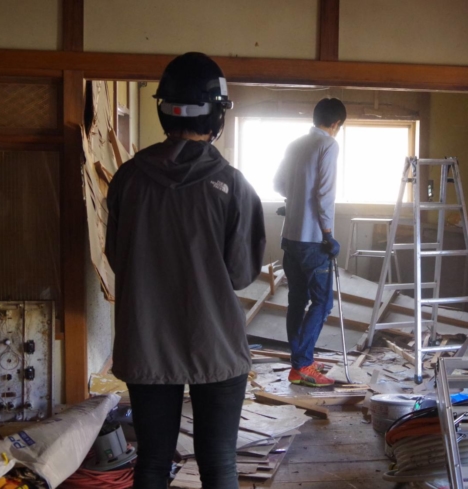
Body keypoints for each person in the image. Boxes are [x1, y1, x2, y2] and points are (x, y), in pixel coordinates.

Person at [105, 52, 266, 489]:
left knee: (153, 463)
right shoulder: (233, 185)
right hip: (215, 342)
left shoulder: (128, 179)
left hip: (147, 342)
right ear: (218, 114)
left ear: (163, 109)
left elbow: (118, 259)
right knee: (219, 465)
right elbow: (239, 274)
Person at [273, 98, 347, 388]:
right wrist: (328, 234)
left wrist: (295, 201)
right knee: (322, 302)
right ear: (336, 124)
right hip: (314, 239)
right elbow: (325, 194)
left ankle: (299, 360)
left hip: (290, 236)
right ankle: (302, 364)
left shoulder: (295, 144)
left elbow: (278, 184)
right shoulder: (328, 145)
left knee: (296, 299)